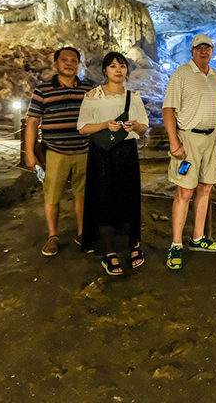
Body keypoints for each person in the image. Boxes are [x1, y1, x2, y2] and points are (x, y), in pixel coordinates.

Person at [77, 52, 149, 275]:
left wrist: (134, 126)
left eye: (122, 66)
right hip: (102, 154)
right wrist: (104, 125)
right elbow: (82, 127)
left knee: (128, 198)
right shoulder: (93, 96)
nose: (118, 70)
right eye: (112, 66)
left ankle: (133, 244)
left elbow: (144, 127)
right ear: (105, 71)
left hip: (126, 152)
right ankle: (109, 252)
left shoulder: (133, 97)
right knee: (104, 199)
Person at [162, 33, 216, 271]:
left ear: (212, 51)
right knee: (185, 191)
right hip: (188, 139)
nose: (204, 51)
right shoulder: (181, 74)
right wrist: (174, 142)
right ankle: (176, 244)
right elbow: (168, 109)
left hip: (211, 138)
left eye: (207, 48)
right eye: (199, 48)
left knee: (206, 187)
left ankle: (198, 238)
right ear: (192, 51)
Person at [25, 46, 93, 257]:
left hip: (84, 150)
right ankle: (53, 236)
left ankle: (82, 233)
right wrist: (30, 153)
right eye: (65, 60)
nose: (70, 63)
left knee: (82, 195)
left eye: (74, 60)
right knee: (52, 196)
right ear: (56, 63)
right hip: (55, 152)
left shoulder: (88, 90)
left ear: (78, 64)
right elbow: (32, 122)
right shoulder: (43, 90)